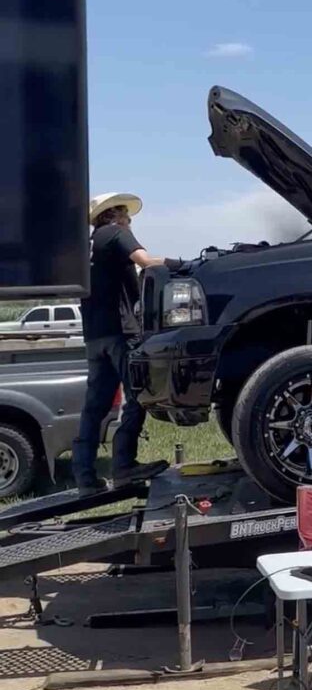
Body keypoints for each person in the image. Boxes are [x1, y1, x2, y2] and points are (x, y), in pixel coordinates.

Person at [72, 192, 182, 495]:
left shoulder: (87, 246)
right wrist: (182, 263)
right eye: (126, 216)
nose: (130, 221)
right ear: (115, 214)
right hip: (121, 333)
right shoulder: (116, 233)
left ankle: (85, 478)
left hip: (94, 335)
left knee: (94, 407)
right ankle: (124, 466)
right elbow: (145, 262)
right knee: (137, 397)